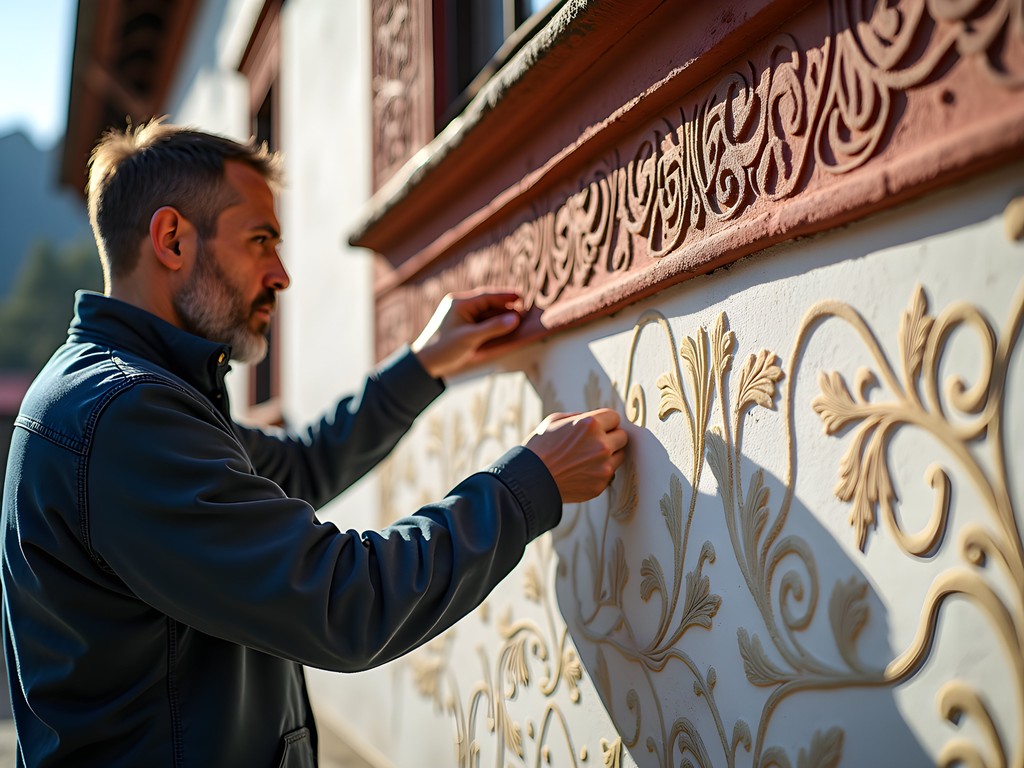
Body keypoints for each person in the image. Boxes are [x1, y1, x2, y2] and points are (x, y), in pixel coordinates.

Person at [0, 119, 628, 767]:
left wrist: (423, 363)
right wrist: (530, 486)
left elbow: (299, 466)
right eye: (261, 240)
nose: (281, 275)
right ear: (172, 240)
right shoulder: (125, 416)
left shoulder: (132, 392)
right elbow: (344, 601)